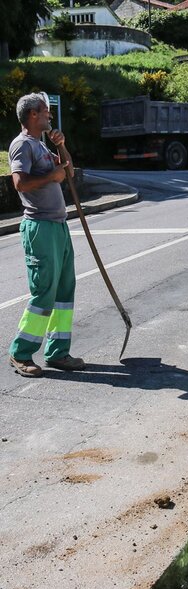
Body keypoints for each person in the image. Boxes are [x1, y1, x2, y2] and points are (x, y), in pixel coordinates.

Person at [8, 93, 86, 378]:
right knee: (44, 293)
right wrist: (50, 177)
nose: (49, 116)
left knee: (64, 292)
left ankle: (57, 352)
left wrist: (61, 147)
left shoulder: (41, 145)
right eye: (45, 112)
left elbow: (67, 172)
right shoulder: (22, 145)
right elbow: (19, 183)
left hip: (58, 226)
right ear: (32, 115)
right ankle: (21, 352)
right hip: (39, 227)